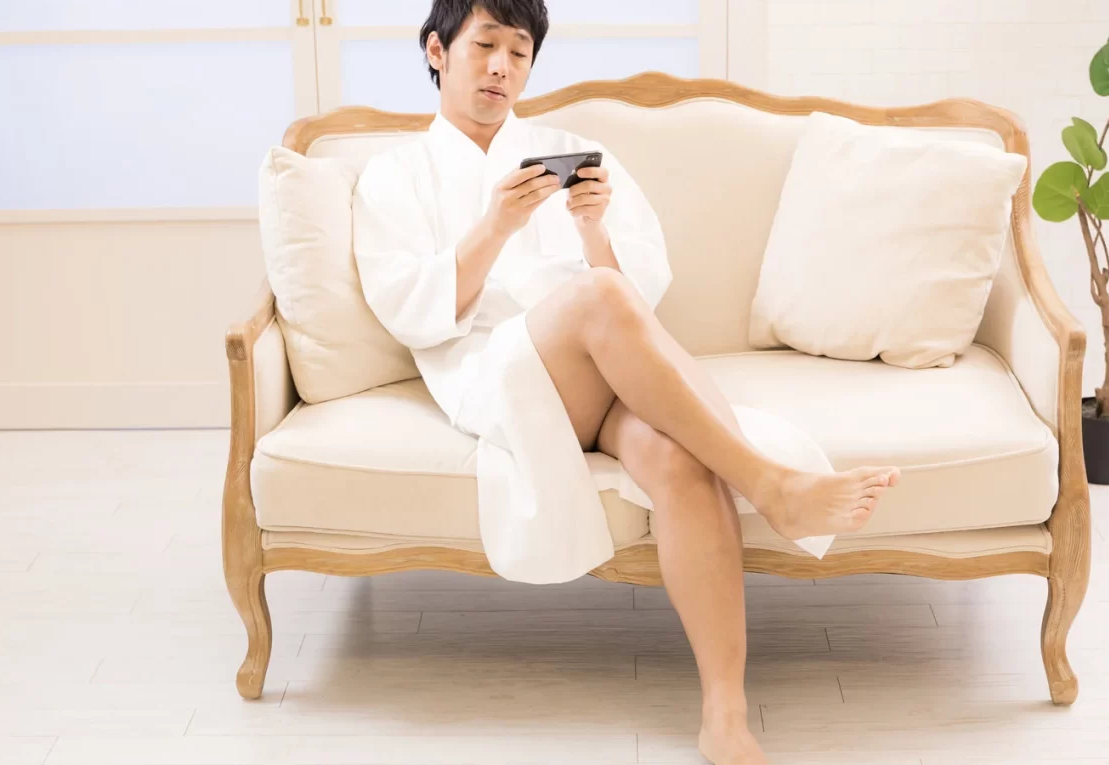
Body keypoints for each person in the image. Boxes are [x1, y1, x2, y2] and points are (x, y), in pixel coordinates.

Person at [351, 2, 900, 762]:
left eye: (519, 51)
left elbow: (636, 301)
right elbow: (411, 311)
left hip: (603, 377)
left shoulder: (568, 151)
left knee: (676, 458)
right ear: (437, 51)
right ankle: (771, 482)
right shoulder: (393, 176)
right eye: (485, 45)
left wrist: (593, 231)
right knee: (598, 297)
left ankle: (725, 711)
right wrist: (496, 228)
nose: (502, 67)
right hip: (501, 378)